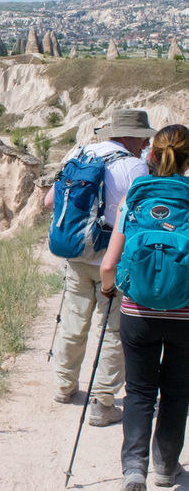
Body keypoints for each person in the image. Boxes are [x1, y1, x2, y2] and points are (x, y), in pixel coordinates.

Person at [45, 109, 154, 426]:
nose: (145, 144)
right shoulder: (135, 167)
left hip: (77, 255)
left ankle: (64, 387)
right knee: (112, 331)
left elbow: (50, 201)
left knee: (72, 322)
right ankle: (102, 402)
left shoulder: (82, 154)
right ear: (130, 137)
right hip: (113, 262)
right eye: (143, 138)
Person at [100, 124, 189, 491]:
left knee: (138, 392)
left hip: (138, 310)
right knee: (176, 391)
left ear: (150, 155)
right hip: (185, 313)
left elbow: (108, 265)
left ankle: (133, 469)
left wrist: (109, 290)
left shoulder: (134, 197)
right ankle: (166, 467)